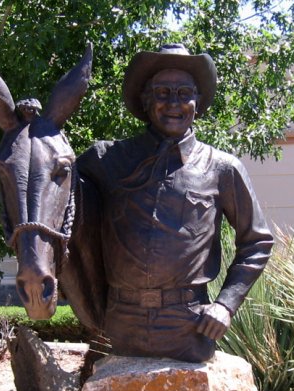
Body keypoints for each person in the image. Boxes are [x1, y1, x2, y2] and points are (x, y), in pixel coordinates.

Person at [76, 44, 274, 362]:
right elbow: (56, 192)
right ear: (145, 100)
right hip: (119, 321)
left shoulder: (222, 168)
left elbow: (258, 241)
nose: (174, 103)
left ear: (197, 103)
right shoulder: (106, 159)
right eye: (163, 92)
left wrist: (225, 304)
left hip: (189, 324)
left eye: (184, 93)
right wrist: (35, 131)